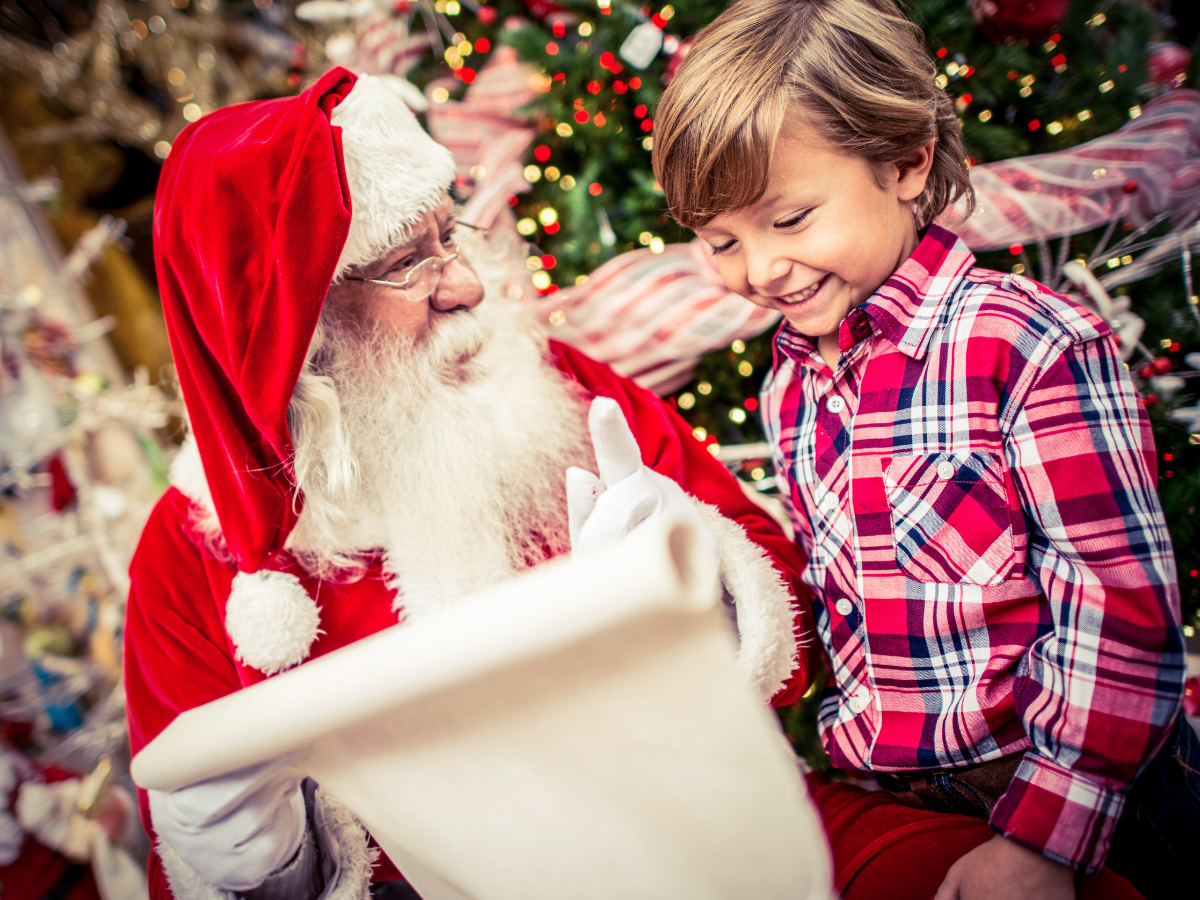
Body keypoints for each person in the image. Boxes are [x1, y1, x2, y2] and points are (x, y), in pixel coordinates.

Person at [124, 68, 818, 899]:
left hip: (706, 853)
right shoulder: (191, 551)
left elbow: (794, 629)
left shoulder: (547, 384)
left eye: (448, 238)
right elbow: (188, 857)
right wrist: (268, 870)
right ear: (293, 328)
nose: (467, 285)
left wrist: (703, 580)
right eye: (407, 264)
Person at [652, 1, 1196, 899]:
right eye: (720, 240)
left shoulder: (1028, 344)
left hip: (1080, 801)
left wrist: (1046, 839)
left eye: (788, 219)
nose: (757, 270)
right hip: (901, 797)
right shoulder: (790, 383)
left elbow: (1121, 619)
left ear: (905, 164)